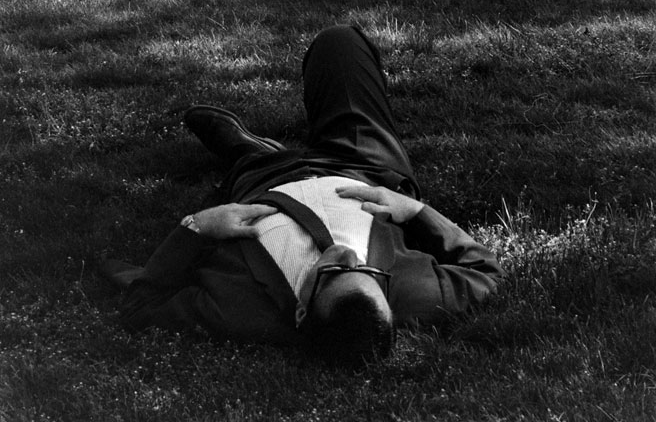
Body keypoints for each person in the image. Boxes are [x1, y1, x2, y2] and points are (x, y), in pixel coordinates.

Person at [102, 26, 502, 365]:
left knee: (249, 163)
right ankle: (258, 148)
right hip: (362, 163)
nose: (347, 257)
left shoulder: (240, 311)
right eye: (367, 273)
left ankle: (246, 150)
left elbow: (141, 308)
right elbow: (486, 272)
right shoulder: (419, 295)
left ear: (301, 309)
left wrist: (196, 227)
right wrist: (416, 211)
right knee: (339, 42)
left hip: (264, 183)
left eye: (332, 273)